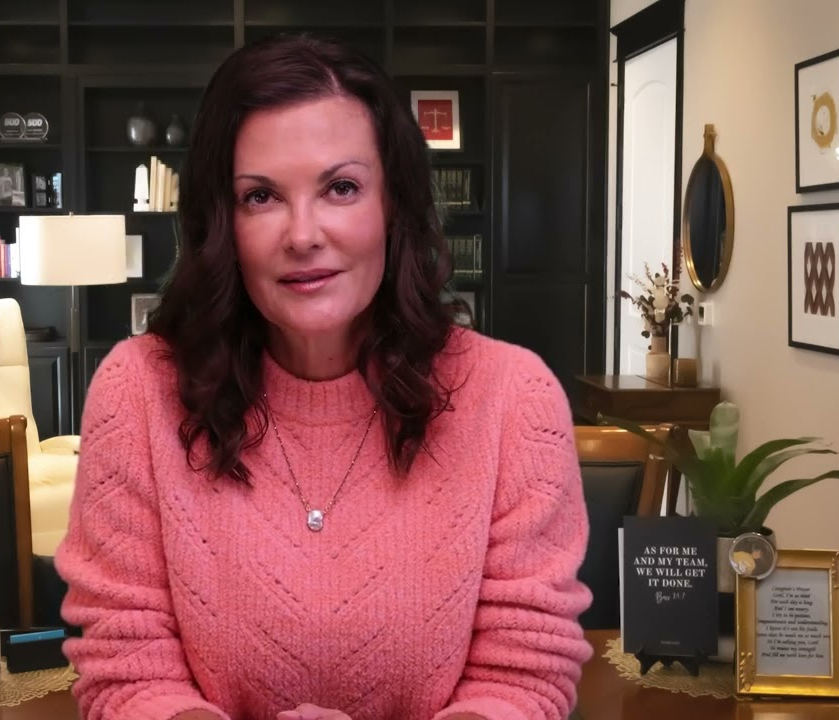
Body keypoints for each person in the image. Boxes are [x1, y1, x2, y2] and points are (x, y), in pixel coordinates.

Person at [55, 33, 592, 720]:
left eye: (341, 188)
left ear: (393, 203)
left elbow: (523, 676)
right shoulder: (137, 392)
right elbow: (127, 672)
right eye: (261, 197)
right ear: (221, 220)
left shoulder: (513, 398)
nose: (303, 234)